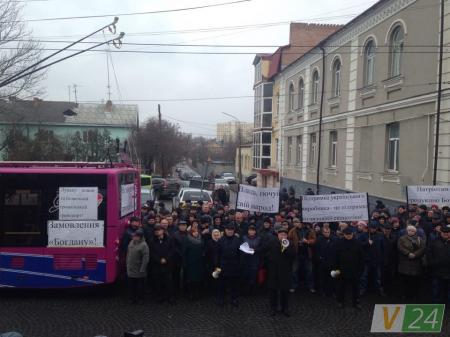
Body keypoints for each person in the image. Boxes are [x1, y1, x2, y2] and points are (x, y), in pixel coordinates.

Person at [266, 228, 296, 317]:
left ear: (286, 236)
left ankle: (285, 308)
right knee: (273, 291)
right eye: (281, 235)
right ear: (278, 235)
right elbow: (264, 249)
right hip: (273, 270)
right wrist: (253, 250)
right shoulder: (272, 242)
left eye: (284, 235)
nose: (282, 236)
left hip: (285, 271)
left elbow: (293, 255)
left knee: (285, 291)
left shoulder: (290, 244)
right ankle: (273, 308)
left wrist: (285, 248)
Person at [334, 227, 363, 310]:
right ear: (344, 235)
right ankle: (340, 302)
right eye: (347, 235)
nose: (348, 236)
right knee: (341, 287)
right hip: (342, 269)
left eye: (350, 234)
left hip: (355, 269)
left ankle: (356, 302)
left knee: (356, 288)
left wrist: (361, 268)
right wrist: (336, 268)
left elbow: (361, 256)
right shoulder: (339, 243)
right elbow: (336, 256)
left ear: (352, 234)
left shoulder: (357, 243)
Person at [397, 225, 426, 300]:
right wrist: (408, 253)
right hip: (405, 263)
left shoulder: (420, 239)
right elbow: (400, 247)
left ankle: (414, 295)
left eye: (412, 231)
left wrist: (415, 254)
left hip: (416, 263)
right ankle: (404, 295)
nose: (410, 232)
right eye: (409, 230)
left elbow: (423, 248)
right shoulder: (402, 238)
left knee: (414, 281)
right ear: (407, 231)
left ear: (415, 232)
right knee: (404, 281)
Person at [288, 219, 316, 293]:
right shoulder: (292, 231)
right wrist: (295, 243)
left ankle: (310, 286)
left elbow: (314, 240)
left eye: (300, 222)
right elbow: (289, 239)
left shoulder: (310, 230)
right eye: (297, 222)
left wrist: (308, 241)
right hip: (296, 254)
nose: (299, 224)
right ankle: (293, 286)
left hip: (307, 254)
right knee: (294, 271)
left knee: (309, 271)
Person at [216, 222, 241, 306]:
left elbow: (240, 254)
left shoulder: (238, 240)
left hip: (234, 265)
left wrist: (239, 264)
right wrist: (217, 266)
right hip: (222, 265)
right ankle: (221, 299)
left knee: (234, 284)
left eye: (231, 230)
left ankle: (234, 299)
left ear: (234, 231)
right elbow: (217, 254)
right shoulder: (220, 240)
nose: (230, 231)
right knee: (221, 284)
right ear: (225, 230)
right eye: (228, 230)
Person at [149, 224, 176, 304]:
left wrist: (166, 259)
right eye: (156, 231)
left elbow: (172, 251)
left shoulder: (170, 239)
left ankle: (170, 297)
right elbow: (152, 253)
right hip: (157, 265)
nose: (157, 232)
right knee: (158, 282)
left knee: (168, 282)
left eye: (159, 230)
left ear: (163, 231)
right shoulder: (152, 241)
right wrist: (158, 260)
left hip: (167, 264)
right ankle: (160, 297)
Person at [428, 224, 450, 304]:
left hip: (448, 271)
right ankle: (436, 306)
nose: (446, 234)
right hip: (437, 271)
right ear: (441, 233)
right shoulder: (435, 242)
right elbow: (429, 253)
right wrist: (433, 263)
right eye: (444, 232)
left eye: (448, 232)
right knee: (437, 290)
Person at [126, 229, 149, 304]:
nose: (134, 237)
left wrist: (142, 268)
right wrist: (127, 263)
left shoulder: (144, 245)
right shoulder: (131, 242)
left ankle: (140, 298)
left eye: (136, 236)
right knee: (131, 286)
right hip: (130, 268)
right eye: (134, 236)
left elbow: (145, 258)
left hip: (139, 269)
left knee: (140, 286)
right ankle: (132, 298)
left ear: (140, 237)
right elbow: (128, 254)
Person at [183, 226, 205, 300]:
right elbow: (184, 252)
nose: (195, 233)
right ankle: (191, 293)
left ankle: (197, 293)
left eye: (196, 232)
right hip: (191, 262)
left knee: (198, 279)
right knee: (191, 279)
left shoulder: (201, 239)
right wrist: (185, 262)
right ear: (191, 233)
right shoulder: (187, 239)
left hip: (199, 262)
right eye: (193, 232)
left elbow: (204, 249)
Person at [240, 225, 261, 295]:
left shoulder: (259, 238)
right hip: (246, 258)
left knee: (253, 275)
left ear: (255, 231)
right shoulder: (244, 237)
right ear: (248, 231)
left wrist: (255, 250)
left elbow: (261, 248)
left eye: (253, 230)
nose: (251, 232)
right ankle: (245, 290)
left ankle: (252, 290)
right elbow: (241, 246)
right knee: (245, 274)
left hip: (254, 259)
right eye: (250, 230)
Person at [316, 227, 337, 297]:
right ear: (322, 232)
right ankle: (322, 291)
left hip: (332, 262)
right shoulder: (319, 239)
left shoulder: (334, 239)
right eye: (325, 232)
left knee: (332, 278)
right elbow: (317, 250)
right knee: (322, 278)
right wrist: (319, 258)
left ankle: (332, 291)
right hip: (323, 262)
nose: (327, 234)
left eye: (328, 232)